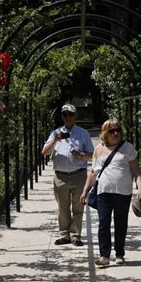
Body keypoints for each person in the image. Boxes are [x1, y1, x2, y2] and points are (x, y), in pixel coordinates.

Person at [80, 118, 141, 266]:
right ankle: (104, 255)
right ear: (105, 133)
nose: (116, 133)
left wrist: (140, 188)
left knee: (121, 223)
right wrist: (85, 191)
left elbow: (136, 171)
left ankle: (120, 254)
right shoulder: (98, 150)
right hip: (103, 192)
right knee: (103, 223)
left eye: (118, 130)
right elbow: (93, 173)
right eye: (112, 131)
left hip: (123, 193)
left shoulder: (128, 148)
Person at [41, 103, 95, 247]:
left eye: (70, 114)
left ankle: (75, 235)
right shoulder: (56, 133)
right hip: (60, 176)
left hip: (78, 175)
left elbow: (92, 155)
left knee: (78, 207)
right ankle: (64, 235)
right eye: (65, 115)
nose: (68, 117)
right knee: (63, 208)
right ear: (62, 117)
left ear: (75, 116)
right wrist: (55, 141)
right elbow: (44, 152)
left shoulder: (83, 133)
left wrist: (80, 155)